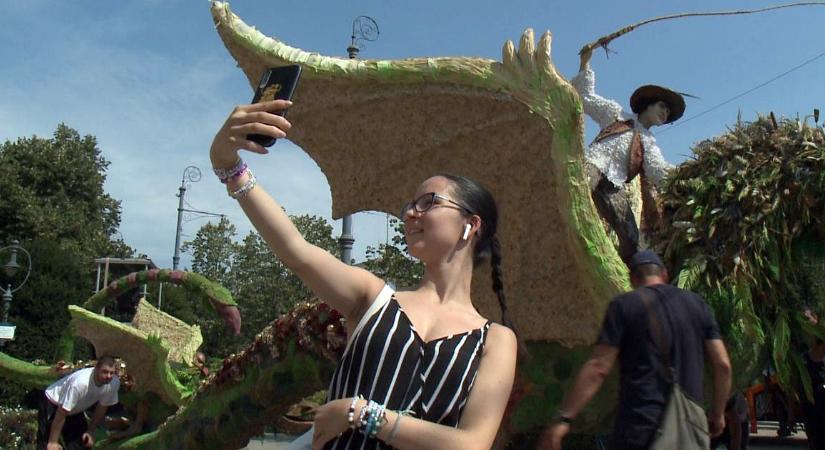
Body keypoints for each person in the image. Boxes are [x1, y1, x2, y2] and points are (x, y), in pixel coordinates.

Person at [209, 98, 518, 449]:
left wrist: (362, 414)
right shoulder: (375, 298)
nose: (411, 214)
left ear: (470, 225)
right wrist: (229, 167)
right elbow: (296, 251)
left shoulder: (495, 340)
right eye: (409, 206)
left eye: (428, 202)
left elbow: (471, 445)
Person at [537, 250, 732, 450]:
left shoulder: (623, 306)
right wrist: (718, 414)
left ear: (632, 278)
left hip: (640, 429)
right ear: (664, 274)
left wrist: (564, 418)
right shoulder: (697, 304)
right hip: (690, 429)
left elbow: (598, 368)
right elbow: (723, 364)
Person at [571, 50, 685, 264]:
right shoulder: (616, 113)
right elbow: (586, 98)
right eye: (662, 106)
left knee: (631, 238)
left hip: (613, 185)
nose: (665, 113)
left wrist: (684, 175)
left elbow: (658, 170)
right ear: (649, 104)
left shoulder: (649, 143)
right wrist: (585, 63)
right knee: (578, 195)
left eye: (668, 113)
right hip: (593, 165)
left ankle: (626, 276)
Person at [37, 356, 120, 450]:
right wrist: (53, 442)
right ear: (96, 368)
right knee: (46, 446)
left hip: (75, 408)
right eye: (105, 372)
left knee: (82, 443)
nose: (108, 376)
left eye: (111, 373)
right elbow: (61, 412)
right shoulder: (80, 382)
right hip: (53, 403)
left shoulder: (113, 383)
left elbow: (102, 407)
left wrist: (90, 431)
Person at [800, 306, 825, 450]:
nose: (804, 324)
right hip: (811, 412)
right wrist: (791, 413)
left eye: (807, 319)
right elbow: (795, 383)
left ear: (816, 320)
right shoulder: (802, 353)